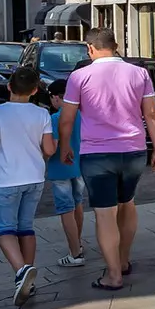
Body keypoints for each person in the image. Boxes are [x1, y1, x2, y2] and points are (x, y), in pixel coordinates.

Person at [57, 28, 155, 291]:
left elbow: (67, 118)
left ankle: (113, 275)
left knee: (105, 214)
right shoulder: (139, 73)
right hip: (134, 150)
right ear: (115, 46)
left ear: (90, 48)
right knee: (127, 204)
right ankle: (124, 261)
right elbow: (150, 114)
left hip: (97, 154)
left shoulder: (79, 76)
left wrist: (65, 147)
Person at [0, 65, 56, 303]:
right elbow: (49, 149)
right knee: (26, 228)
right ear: (34, 91)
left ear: (9, 86)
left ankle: (21, 270)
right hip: (35, 178)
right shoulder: (41, 114)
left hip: (8, 179)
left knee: (4, 229)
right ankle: (27, 280)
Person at [45, 77, 88, 266]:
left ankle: (75, 253)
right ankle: (77, 242)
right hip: (80, 166)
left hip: (60, 169)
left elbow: (52, 148)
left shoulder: (55, 118)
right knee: (78, 203)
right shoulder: (82, 114)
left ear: (55, 97)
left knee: (65, 209)